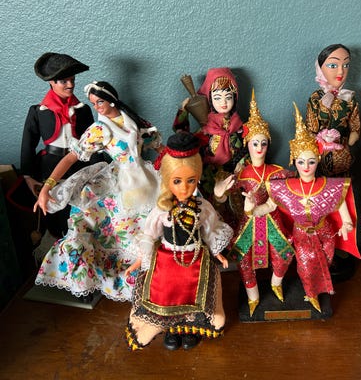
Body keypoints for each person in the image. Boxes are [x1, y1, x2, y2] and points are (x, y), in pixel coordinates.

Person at [34, 81, 162, 301]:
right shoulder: (100, 130)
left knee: (158, 219)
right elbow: (71, 157)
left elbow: (160, 148)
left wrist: (181, 164)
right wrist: (48, 186)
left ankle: (155, 278)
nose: (97, 107)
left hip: (146, 177)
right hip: (121, 180)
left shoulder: (134, 121)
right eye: (93, 103)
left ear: (111, 100)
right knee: (105, 222)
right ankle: (118, 278)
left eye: (100, 102)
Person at [124, 131, 233, 351]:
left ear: (198, 177)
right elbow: (149, 235)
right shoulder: (162, 210)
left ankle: (189, 329)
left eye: (190, 181)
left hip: (195, 257)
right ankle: (171, 329)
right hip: (168, 258)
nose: (184, 188)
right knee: (166, 295)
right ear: (167, 180)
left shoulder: (203, 208)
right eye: (177, 181)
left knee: (194, 295)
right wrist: (140, 260)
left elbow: (210, 230)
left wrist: (217, 252)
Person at [260, 104, 359, 316]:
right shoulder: (286, 187)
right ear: (294, 162)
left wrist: (347, 223)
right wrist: (253, 208)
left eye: (311, 161)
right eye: (301, 161)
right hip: (302, 234)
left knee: (326, 261)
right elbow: (270, 205)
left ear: (318, 160)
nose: (306, 166)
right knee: (305, 264)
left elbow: (340, 202)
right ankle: (310, 293)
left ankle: (316, 288)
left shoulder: (328, 185)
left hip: (325, 232)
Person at [214, 90, 295, 316]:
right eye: (254, 143)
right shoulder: (241, 175)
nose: (259, 148)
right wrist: (219, 191)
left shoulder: (278, 172)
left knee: (284, 254)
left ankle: (276, 283)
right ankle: (253, 295)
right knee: (242, 259)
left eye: (263, 143)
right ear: (247, 145)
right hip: (248, 223)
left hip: (273, 222)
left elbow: (293, 192)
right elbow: (222, 197)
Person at [21, 52, 95, 257]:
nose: (70, 85)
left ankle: (79, 249)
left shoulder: (83, 110)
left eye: (72, 80)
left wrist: (99, 169)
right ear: (51, 83)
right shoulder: (38, 111)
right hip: (49, 166)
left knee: (79, 208)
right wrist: (28, 176)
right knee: (53, 210)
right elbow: (28, 144)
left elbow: (93, 143)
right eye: (64, 81)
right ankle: (56, 252)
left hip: (78, 165)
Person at [172, 67, 247, 227]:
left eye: (228, 97)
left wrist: (242, 163)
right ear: (210, 98)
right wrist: (183, 111)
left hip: (235, 175)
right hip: (210, 178)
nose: (224, 103)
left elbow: (247, 148)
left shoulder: (239, 127)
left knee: (238, 211)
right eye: (217, 97)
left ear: (235, 98)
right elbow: (182, 136)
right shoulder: (206, 129)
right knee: (214, 213)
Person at [305, 44, 360, 177]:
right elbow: (311, 129)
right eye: (333, 65)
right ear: (320, 68)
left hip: (343, 154)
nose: (341, 72)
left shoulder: (349, 97)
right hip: (319, 154)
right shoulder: (316, 98)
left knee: (343, 184)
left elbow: (355, 126)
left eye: (345, 65)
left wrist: (352, 139)